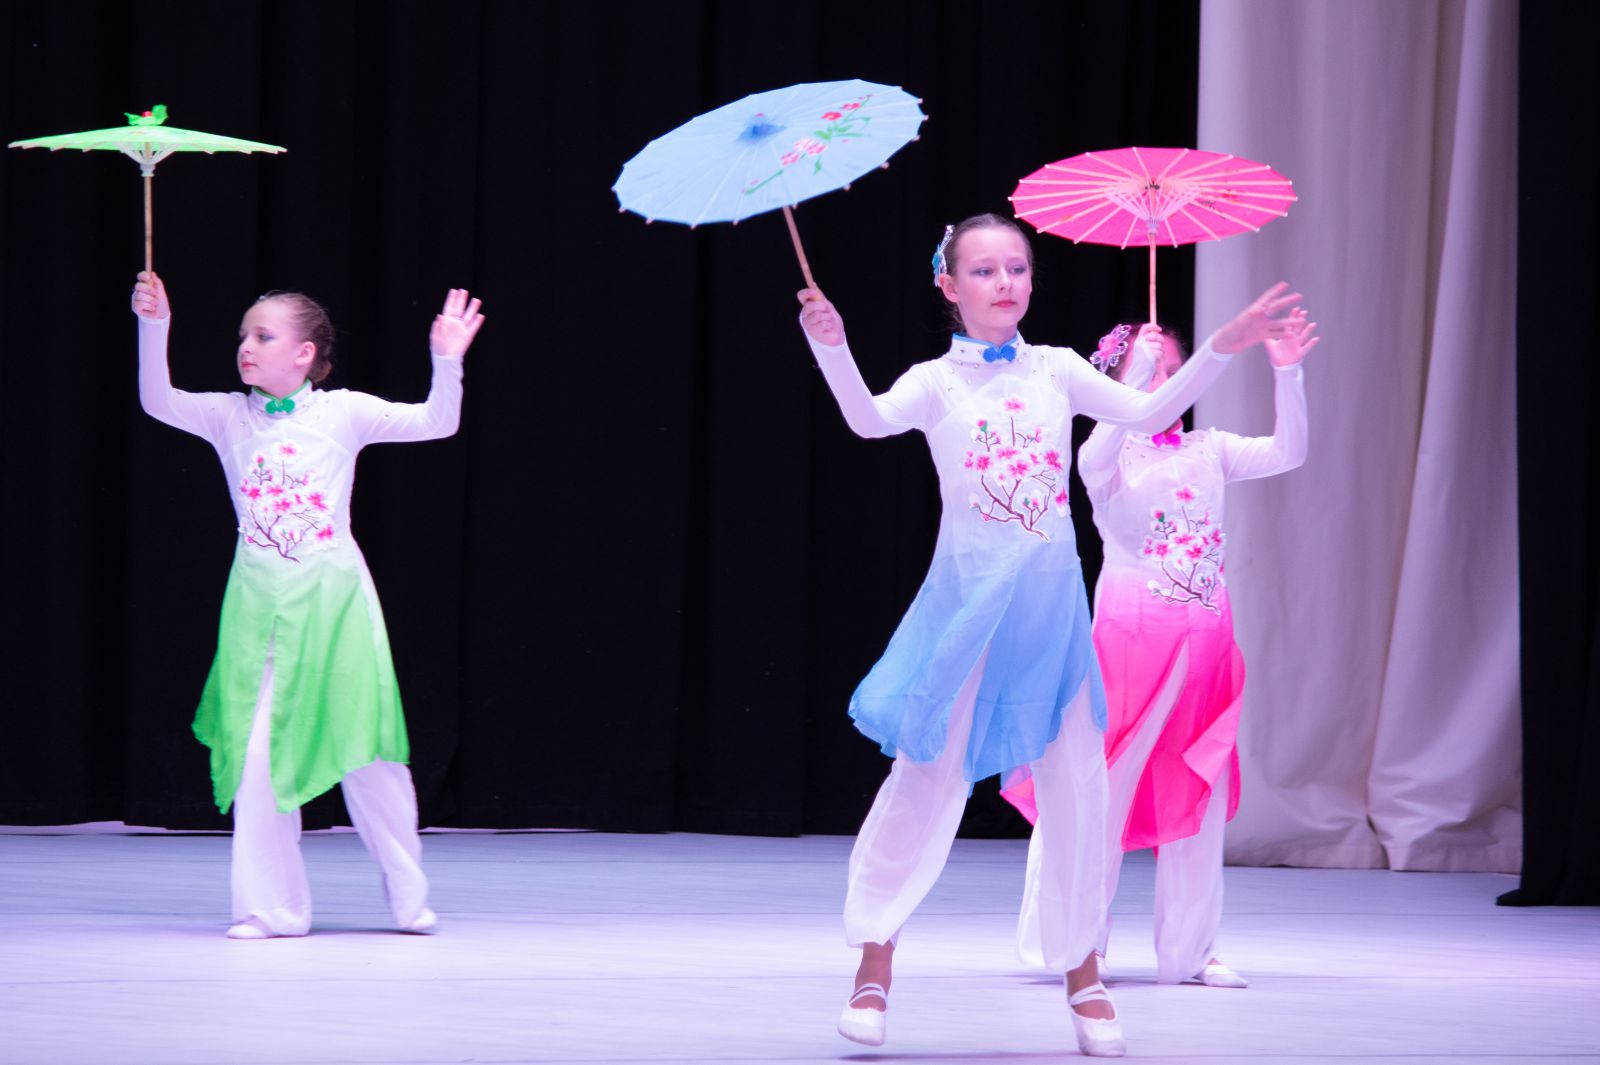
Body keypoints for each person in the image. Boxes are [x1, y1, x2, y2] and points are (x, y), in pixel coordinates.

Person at [797, 212, 1308, 1057]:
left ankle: (1084, 971)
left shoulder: (1058, 369)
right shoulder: (936, 381)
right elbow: (868, 419)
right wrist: (834, 347)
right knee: (925, 775)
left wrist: (1223, 343)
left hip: (1052, 613)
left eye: (1017, 268)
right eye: (984, 270)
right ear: (948, 284)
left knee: (1079, 786)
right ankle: (874, 957)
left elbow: (1152, 408)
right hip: (968, 608)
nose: (1005, 283)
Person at [131, 271, 484, 939]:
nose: (246, 346)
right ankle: (274, 908)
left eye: (263, 336)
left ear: (303, 353)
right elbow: (157, 398)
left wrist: (447, 361)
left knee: (370, 760)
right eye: (243, 335)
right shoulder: (228, 417)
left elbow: (438, 422)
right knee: (259, 759)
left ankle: (408, 894)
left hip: (337, 607)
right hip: (260, 615)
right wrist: (156, 325)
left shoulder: (342, 413)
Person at [1008, 316, 1316, 989]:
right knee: (1099, 795)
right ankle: (1077, 942)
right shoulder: (1105, 459)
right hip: (1126, 647)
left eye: (1175, 369)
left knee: (1200, 789)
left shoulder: (1210, 448)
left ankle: (1191, 951)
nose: (1164, 382)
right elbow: (1099, 445)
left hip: (1205, 650)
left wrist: (1288, 371)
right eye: (1148, 372)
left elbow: (1289, 451)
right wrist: (1135, 383)